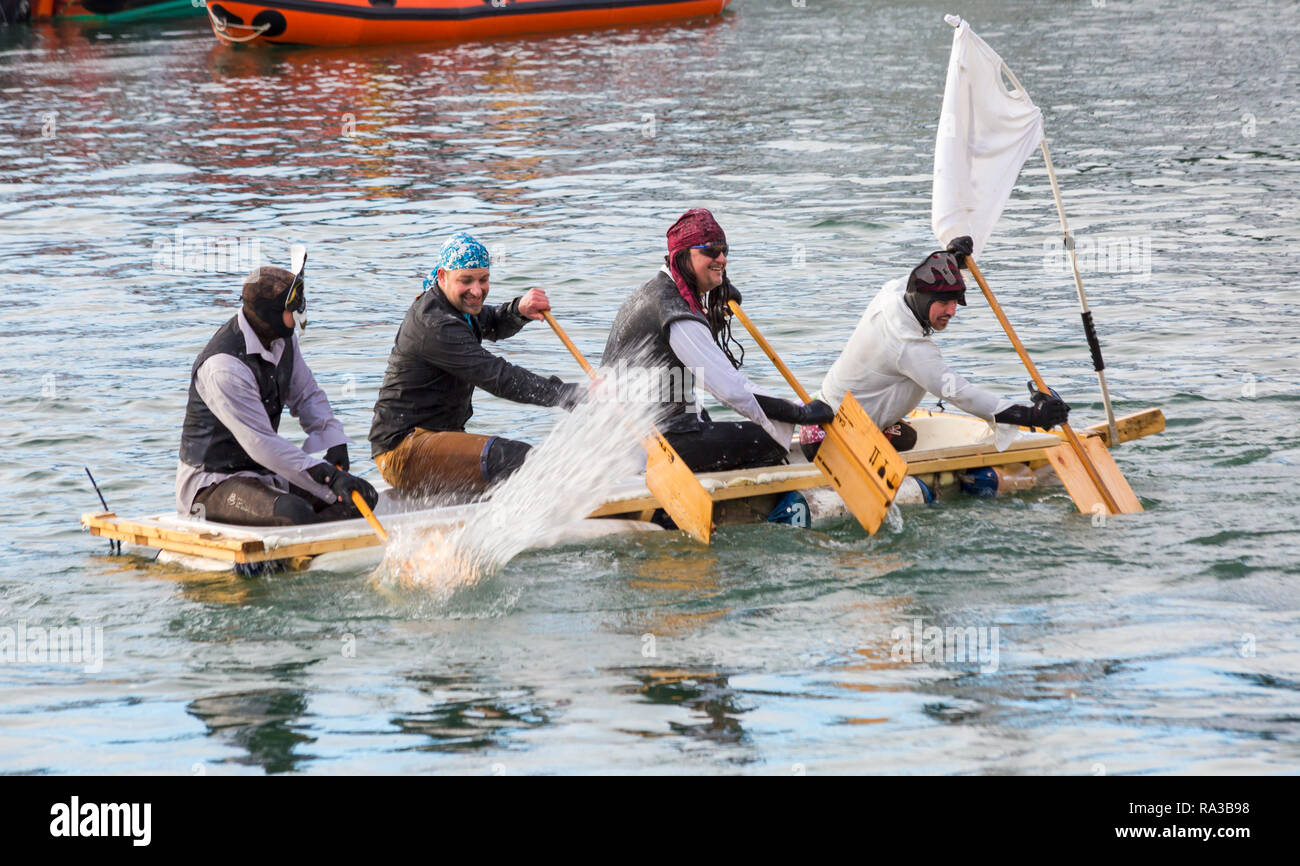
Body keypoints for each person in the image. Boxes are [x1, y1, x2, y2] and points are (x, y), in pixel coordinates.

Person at [600, 208, 833, 473]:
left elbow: (689, 355)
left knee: (711, 418)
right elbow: (731, 390)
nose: (721, 259)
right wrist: (798, 414)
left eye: (724, 250)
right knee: (774, 433)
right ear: (683, 255)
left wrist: (714, 306)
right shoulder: (676, 312)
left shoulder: (652, 292)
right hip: (654, 445)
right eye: (711, 251)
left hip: (637, 434)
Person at [802, 237, 1071, 459]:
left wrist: (951, 257)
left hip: (820, 418)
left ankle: (882, 427)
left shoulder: (892, 294)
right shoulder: (910, 347)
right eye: (944, 303)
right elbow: (962, 394)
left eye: (955, 302)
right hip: (834, 437)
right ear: (921, 297)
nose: (952, 311)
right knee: (906, 439)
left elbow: (914, 274)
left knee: (908, 439)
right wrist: (1031, 416)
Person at [368, 232, 584, 499]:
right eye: (466, 281)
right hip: (403, 451)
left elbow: (489, 320)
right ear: (442, 277)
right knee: (517, 457)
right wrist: (568, 395)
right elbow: (497, 376)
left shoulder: (454, 307)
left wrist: (519, 310)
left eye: (484, 279)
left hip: (436, 439)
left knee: (519, 462)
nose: (477, 290)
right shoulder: (435, 324)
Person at [176, 263, 378, 526]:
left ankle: (311, 542)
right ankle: (299, 540)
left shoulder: (283, 340)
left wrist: (333, 439)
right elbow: (262, 445)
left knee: (363, 496)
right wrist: (327, 476)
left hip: (267, 474)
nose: (299, 316)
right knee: (294, 513)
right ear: (268, 314)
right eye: (292, 310)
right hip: (213, 484)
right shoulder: (224, 367)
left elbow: (307, 395)